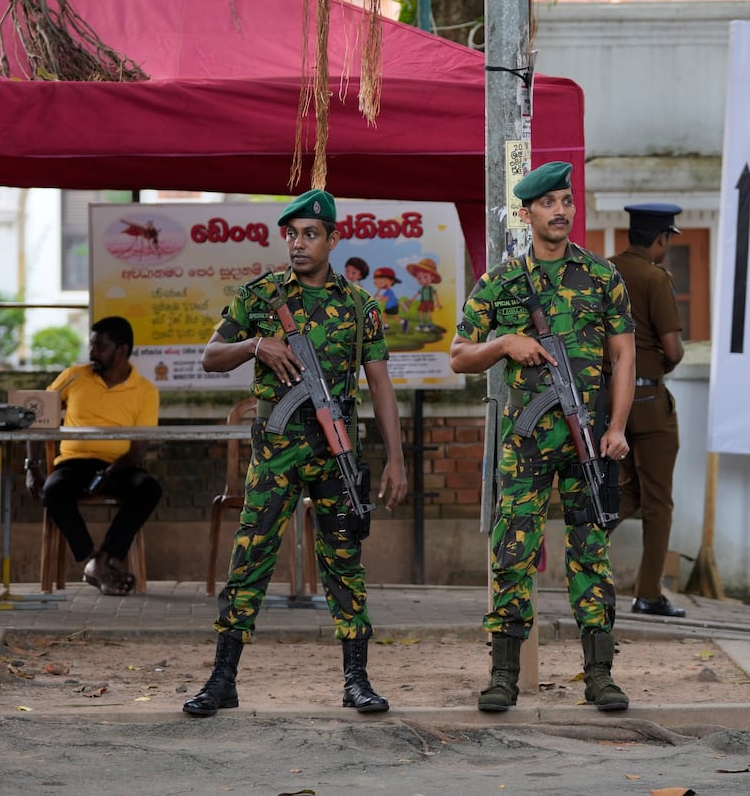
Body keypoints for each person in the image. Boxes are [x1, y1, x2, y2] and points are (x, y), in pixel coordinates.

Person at [183, 189, 407, 718]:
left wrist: (396, 459)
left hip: (338, 452)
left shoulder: (359, 306)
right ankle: (222, 679)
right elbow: (211, 356)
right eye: (291, 234)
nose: (298, 244)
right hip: (278, 450)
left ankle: (356, 679)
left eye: (310, 234)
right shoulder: (260, 296)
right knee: (251, 558)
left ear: (332, 239)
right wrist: (256, 346)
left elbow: (380, 385)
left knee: (344, 562)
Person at [450, 161, 635, 712]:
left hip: (588, 442)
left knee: (592, 553)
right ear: (526, 213)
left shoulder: (602, 277)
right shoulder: (501, 281)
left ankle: (599, 674)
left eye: (566, 201)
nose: (560, 211)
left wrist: (618, 426)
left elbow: (625, 356)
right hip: (525, 444)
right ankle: (503, 674)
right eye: (548, 203)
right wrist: (505, 343)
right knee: (513, 552)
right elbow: (460, 355)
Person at [26, 315, 162, 597]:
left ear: (122, 350)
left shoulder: (146, 391)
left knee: (148, 489)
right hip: (75, 463)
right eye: (91, 346)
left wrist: (109, 472)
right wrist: (32, 465)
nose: (92, 353)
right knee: (53, 490)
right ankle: (92, 559)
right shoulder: (74, 376)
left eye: (100, 347)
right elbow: (36, 415)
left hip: (119, 467)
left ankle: (102, 561)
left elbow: (138, 447)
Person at [608, 202, 687, 618]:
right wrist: (662, 364)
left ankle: (584, 544)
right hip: (647, 401)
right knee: (658, 501)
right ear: (660, 239)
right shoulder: (655, 278)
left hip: (608, 401)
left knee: (627, 491)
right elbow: (672, 349)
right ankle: (649, 593)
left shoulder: (603, 270)